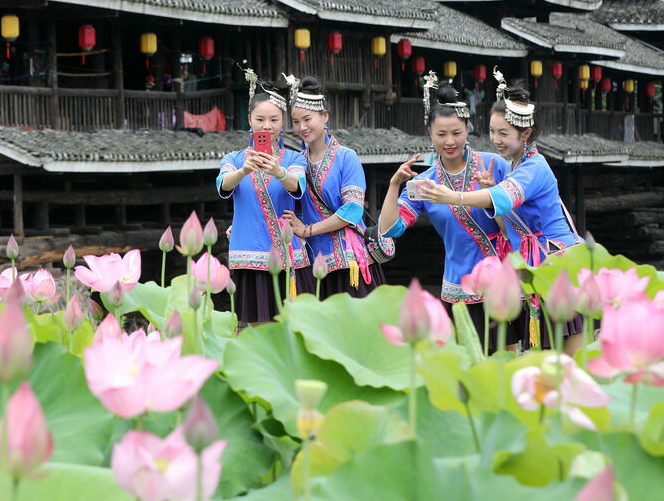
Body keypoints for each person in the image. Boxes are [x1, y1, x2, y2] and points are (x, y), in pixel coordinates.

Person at [417, 69, 584, 352]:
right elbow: (507, 221)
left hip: (558, 266)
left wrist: (453, 196)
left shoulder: (535, 167)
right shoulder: (514, 167)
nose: (496, 140)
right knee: (546, 366)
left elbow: (502, 197)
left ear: (526, 133)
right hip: (536, 269)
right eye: (492, 131)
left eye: (504, 133)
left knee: (566, 365)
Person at [377, 73, 512, 348]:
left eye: (456, 133)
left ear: (468, 130)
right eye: (441, 134)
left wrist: (494, 194)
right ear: (430, 134)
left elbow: (514, 228)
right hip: (456, 286)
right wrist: (394, 185)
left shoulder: (494, 165)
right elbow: (389, 229)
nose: (449, 141)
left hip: (500, 281)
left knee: (503, 367)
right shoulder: (422, 184)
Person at [217, 73, 314, 324]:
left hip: (288, 256)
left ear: (283, 122)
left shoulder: (294, 159)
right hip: (248, 255)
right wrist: (244, 171)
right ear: (249, 120)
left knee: (293, 328)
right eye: (260, 119)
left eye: (274, 119)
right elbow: (223, 184)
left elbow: (297, 185)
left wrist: (278, 171)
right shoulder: (234, 159)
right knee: (255, 327)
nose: (266, 126)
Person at [280, 76, 384, 297]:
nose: (301, 127)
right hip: (313, 262)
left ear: (325, 116)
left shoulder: (347, 157)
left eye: (307, 119)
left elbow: (353, 211)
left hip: (349, 260)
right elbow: (285, 206)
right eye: (296, 122)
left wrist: (308, 230)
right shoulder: (296, 163)